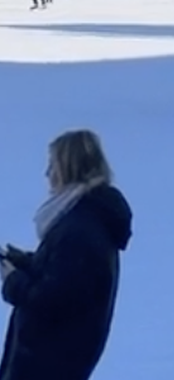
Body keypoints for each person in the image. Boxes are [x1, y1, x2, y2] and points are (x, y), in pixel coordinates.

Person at [0, 130, 133, 380]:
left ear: (70, 168)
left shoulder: (80, 229)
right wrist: (24, 262)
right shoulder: (87, 217)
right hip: (57, 357)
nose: (48, 174)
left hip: (49, 363)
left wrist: (13, 282)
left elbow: (52, 299)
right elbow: (67, 278)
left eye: (53, 165)